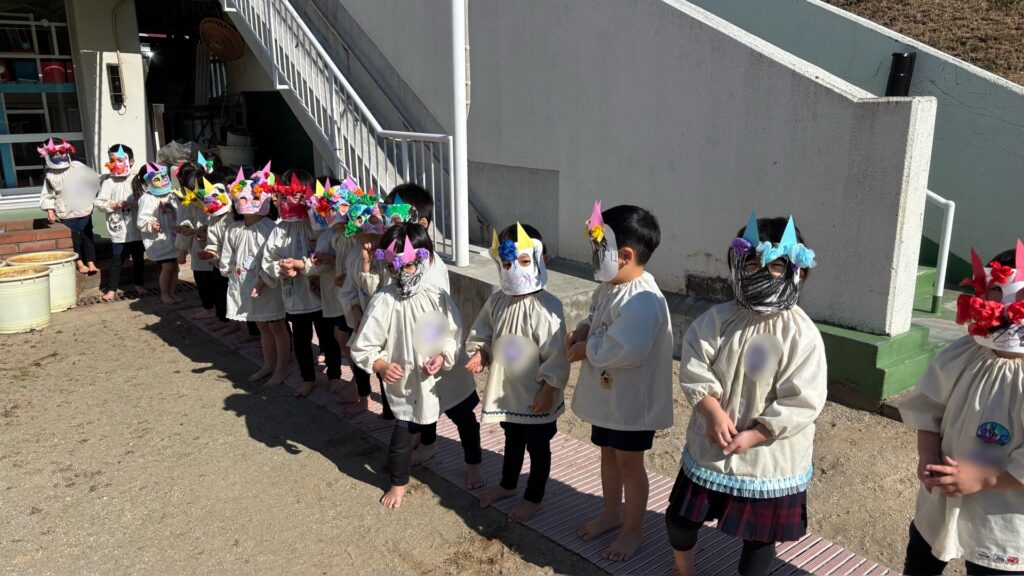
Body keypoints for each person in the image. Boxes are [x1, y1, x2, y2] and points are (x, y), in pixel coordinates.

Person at [665, 213, 826, 576]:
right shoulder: (717, 319)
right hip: (713, 446)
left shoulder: (802, 334)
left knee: (758, 540)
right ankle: (682, 569)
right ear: (736, 266)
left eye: (776, 265)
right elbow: (695, 363)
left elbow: (804, 399)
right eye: (751, 263)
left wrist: (757, 433)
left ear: (797, 271)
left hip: (769, 458)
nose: (762, 272)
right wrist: (710, 409)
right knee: (680, 520)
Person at [899, 241, 1024, 576]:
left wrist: (984, 479)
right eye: (994, 295)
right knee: (922, 559)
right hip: (940, 497)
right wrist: (927, 454)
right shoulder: (964, 353)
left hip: (1003, 516)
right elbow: (929, 408)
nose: (1003, 308)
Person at [567, 202, 674, 562]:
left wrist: (586, 349)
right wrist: (583, 329)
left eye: (599, 249)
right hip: (610, 399)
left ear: (625, 255)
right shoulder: (612, 285)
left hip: (631, 404)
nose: (594, 257)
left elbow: (628, 348)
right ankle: (612, 513)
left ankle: (633, 530)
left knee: (630, 465)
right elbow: (595, 312)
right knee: (608, 455)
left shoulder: (643, 299)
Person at [350, 223, 480, 508]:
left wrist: (444, 356)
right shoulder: (383, 301)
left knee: (465, 421)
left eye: (409, 265)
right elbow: (364, 345)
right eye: (394, 267)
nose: (402, 274)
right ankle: (398, 483)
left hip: (447, 376)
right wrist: (381, 364)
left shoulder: (437, 296)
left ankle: (474, 465)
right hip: (410, 381)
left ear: (425, 260)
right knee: (403, 434)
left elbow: (455, 332)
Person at [468, 222, 570, 523]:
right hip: (507, 391)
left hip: (536, 394)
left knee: (538, 447)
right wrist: (481, 352)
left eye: (524, 261)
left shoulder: (548, 307)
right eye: (507, 263)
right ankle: (508, 484)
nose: (514, 269)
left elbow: (557, 353)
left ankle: (533, 497)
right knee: (512, 439)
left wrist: (549, 388)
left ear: (541, 260)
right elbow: (484, 331)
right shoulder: (497, 300)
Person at [262, 170, 342, 397]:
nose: (290, 202)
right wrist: (280, 268)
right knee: (300, 339)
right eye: (284, 197)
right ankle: (308, 378)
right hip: (295, 297)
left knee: (328, 337)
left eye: (297, 196)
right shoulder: (278, 229)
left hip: (320, 294)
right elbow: (268, 260)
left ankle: (335, 376)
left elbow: (326, 259)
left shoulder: (318, 226)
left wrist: (303, 267)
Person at [219, 163, 289, 386]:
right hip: (246, 285)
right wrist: (226, 270)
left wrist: (265, 279)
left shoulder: (271, 228)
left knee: (277, 326)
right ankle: (268, 364)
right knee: (262, 326)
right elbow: (227, 255)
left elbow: (275, 258)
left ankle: (282, 368)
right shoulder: (234, 228)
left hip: (269, 286)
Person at [37, 137, 99, 274]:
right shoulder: (50, 175)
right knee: (73, 239)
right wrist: (50, 210)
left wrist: (91, 199)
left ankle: (91, 262)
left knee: (87, 236)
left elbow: (94, 180)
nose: (59, 155)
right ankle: (79, 263)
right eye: (55, 153)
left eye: (62, 152)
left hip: (83, 209)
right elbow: (48, 194)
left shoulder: (77, 166)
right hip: (65, 211)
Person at [95, 144, 144, 300]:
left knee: (138, 258)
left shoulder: (137, 180)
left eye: (121, 160)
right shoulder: (108, 182)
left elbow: (147, 199)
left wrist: (136, 204)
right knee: (117, 259)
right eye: (113, 160)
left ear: (131, 161)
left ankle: (139, 284)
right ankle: (112, 288)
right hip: (119, 228)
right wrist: (114, 205)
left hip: (136, 227)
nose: (116, 164)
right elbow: (100, 202)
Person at [135, 163, 181, 304]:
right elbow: (141, 219)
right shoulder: (147, 198)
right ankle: (164, 294)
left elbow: (179, 210)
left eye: (164, 176)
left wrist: (175, 213)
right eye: (157, 179)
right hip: (159, 239)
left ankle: (172, 293)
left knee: (175, 267)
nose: (162, 180)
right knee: (167, 267)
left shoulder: (172, 193)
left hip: (173, 236)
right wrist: (151, 224)